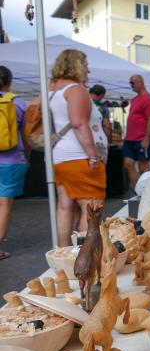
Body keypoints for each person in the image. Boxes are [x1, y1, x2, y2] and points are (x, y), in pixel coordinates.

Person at [48, 49, 108, 246]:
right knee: (91, 208)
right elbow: (79, 123)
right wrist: (93, 155)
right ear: (76, 64)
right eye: (85, 64)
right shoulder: (75, 90)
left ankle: (64, 252)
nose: (88, 69)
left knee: (65, 206)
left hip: (61, 158)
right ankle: (86, 254)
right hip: (80, 157)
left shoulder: (52, 90)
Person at [0, 66, 28, 260]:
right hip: (12, 160)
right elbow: (26, 135)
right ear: (10, 81)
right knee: (4, 205)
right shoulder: (18, 103)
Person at [123, 74, 150, 191]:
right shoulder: (134, 99)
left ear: (140, 82)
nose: (131, 85)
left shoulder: (148, 99)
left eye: (133, 83)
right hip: (130, 139)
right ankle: (137, 191)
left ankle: (145, 193)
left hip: (142, 138)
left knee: (143, 166)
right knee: (128, 164)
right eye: (130, 83)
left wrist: (146, 138)